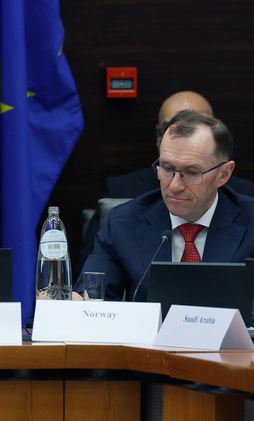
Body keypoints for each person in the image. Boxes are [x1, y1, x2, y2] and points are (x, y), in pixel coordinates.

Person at [76, 109, 254, 302]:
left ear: (224, 174)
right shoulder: (124, 223)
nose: (175, 186)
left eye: (192, 172)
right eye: (167, 169)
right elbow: (90, 300)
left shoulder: (250, 222)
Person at [103, 90, 254, 198]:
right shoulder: (120, 192)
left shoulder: (246, 196)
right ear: (158, 136)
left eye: (194, 129)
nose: (175, 186)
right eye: (172, 129)